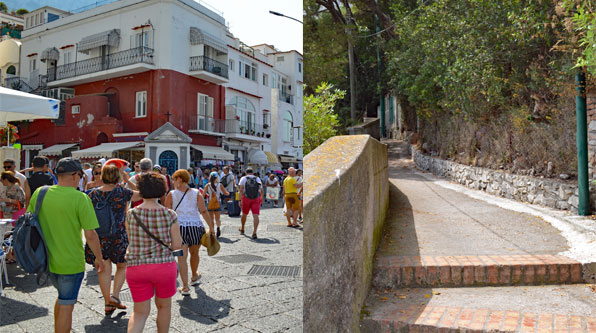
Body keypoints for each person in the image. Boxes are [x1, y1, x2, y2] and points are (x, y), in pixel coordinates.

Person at [27, 157, 105, 333]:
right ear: (76, 175)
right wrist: (98, 258)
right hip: (70, 261)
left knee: (62, 299)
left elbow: (29, 219)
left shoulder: (40, 192)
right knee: (67, 305)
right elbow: (91, 234)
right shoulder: (80, 198)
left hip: (46, 259)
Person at [125, 172, 182, 333]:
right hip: (164, 266)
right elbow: (177, 245)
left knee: (139, 312)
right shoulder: (170, 214)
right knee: (164, 308)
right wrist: (176, 259)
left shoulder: (131, 214)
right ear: (162, 190)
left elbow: (131, 240)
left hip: (137, 266)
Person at [84, 164, 142, 316]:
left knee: (103, 267)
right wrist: (127, 179)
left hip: (98, 236)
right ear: (117, 177)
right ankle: (116, 295)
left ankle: (107, 302)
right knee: (122, 266)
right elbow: (142, 193)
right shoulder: (122, 192)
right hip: (118, 235)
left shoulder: (92, 194)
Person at [164, 169, 215, 296]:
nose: (174, 182)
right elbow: (204, 211)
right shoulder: (197, 193)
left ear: (179, 179)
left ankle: (185, 286)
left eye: (175, 179)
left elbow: (167, 214)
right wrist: (211, 227)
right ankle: (194, 276)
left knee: (182, 257)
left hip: (179, 228)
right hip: (196, 227)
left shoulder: (171, 194)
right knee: (195, 253)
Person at [238, 168, 264, 239]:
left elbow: (241, 190)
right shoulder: (257, 178)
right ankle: (254, 232)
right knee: (255, 215)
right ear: (253, 173)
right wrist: (261, 198)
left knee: (244, 213)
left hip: (246, 198)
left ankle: (242, 228)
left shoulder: (243, 178)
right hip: (256, 198)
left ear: (246, 173)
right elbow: (261, 190)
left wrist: (239, 200)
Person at [204, 172, 229, 238]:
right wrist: (228, 193)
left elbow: (203, 195)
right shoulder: (220, 185)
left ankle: (212, 232)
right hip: (217, 203)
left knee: (211, 219)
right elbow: (225, 193)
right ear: (217, 177)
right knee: (217, 218)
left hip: (210, 203)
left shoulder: (207, 185)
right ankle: (218, 227)